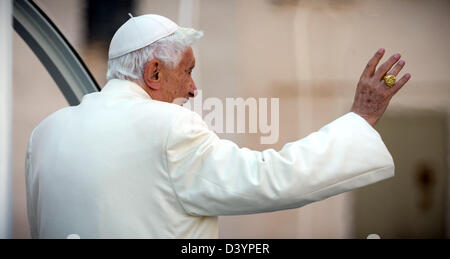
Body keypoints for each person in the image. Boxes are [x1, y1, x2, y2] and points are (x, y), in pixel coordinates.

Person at [25, 14, 411, 238]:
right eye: (188, 72)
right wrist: (360, 119)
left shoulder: (45, 133)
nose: (193, 90)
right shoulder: (169, 127)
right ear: (154, 71)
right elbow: (269, 179)